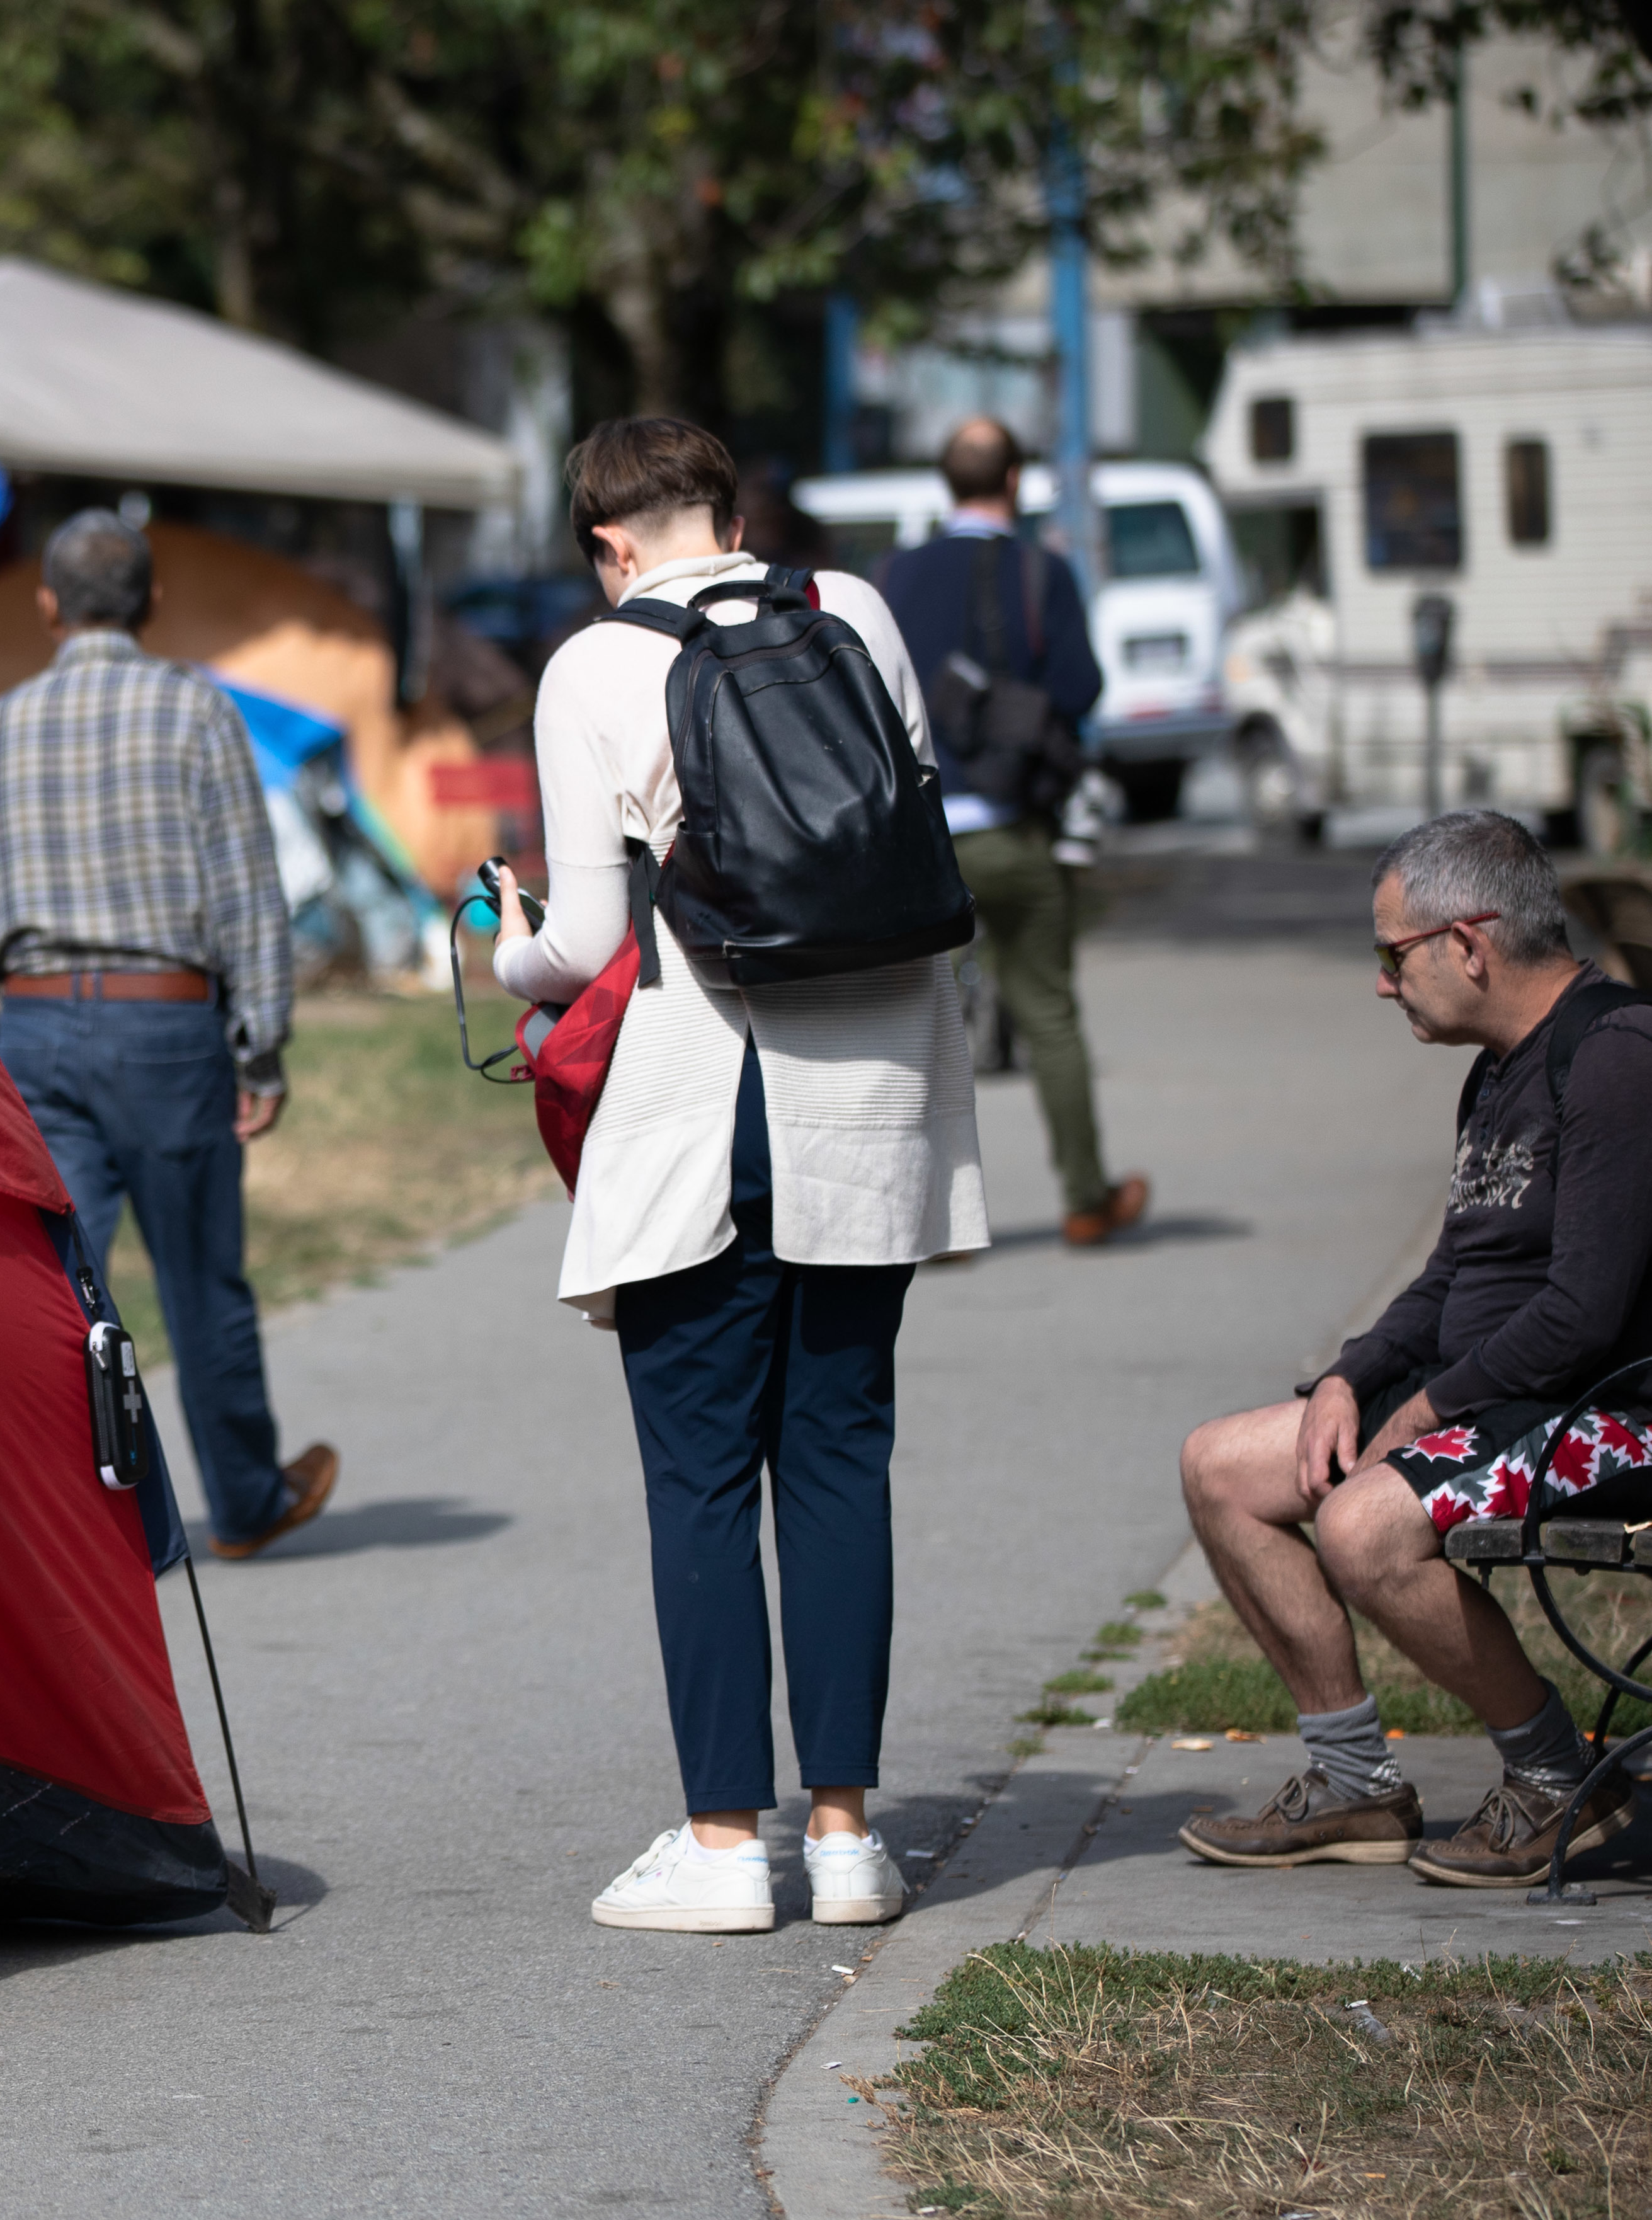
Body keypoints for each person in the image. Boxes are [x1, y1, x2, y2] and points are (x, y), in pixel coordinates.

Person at [490, 417, 986, 1935]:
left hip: (704, 1094)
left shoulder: (589, 664)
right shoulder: (851, 611)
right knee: (837, 1459)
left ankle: (721, 1842)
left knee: (698, 1476)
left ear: (607, 542)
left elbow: (582, 944)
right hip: (869, 1091)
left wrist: (502, 942)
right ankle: (844, 1840)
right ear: (725, 507)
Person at [1174, 812, 1646, 1887]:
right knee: (1223, 1466)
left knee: (1363, 1523)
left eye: (1394, 954)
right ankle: (1354, 1783)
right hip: (1504, 1399)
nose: (1384, 984)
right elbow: (1449, 1277)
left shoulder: (1615, 1057)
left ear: (1469, 943)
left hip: (1609, 1411)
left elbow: (1583, 1311)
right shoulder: (1497, 1068)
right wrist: (1352, 1371)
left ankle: (1561, 1778)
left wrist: (1428, 1408)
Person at [0, 510, 338, 1562]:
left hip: (36, 1024)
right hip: (166, 1025)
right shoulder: (197, 712)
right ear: (152, 603)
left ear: (48, 606)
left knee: (62, 1284)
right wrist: (261, 1042)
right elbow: (249, 889)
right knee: (201, 1276)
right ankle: (243, 1499)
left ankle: (75, 1515)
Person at [879, 419, 1150, 1249]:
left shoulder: (893, 576)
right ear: (1017, 481)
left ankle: (931, 1224)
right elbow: (1079, 686)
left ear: (943, 481)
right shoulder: (1043, 574)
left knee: (925, 1027)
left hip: (922, 845)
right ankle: (1084, 1198)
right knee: (1048, 1014)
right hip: (1017, 833)